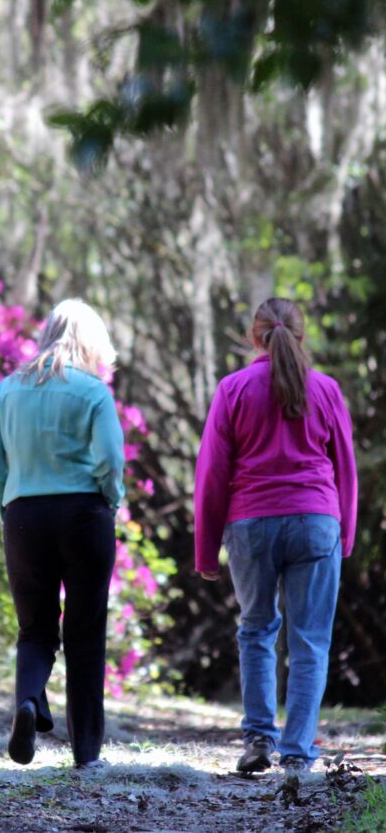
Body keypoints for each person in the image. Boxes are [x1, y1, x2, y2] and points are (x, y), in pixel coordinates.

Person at [195, 298, 357, 775]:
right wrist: (343, 537)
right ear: (300, 336)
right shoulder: (325, 389)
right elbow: (345, 469)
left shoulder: (233, 389)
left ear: (253, 336)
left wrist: (205, 549)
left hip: (251, 524)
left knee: (257, 630)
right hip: (316, 522)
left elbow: (211, 473)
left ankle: (258, 741)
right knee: (310, 641)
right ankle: (298, 750)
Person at [0, 298, 125, 770]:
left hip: (24, 516)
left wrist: (5, 507)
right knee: (85, 634)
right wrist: (111, 498)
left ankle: (28, 702)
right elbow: (110, 458)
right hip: (84, 514)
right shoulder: (92, 391)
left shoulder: (8, 390)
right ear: (90, 342)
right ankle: (87, 754)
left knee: (35, 629)